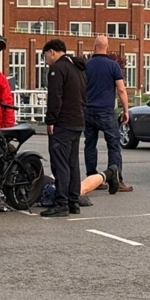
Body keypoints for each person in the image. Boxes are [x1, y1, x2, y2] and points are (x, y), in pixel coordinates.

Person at [40, 39, 87, 217]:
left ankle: (61, 203)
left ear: (52, 52)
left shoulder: (58, 69)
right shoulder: (78, 67)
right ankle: (73, 201)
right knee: (73, 163)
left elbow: (55, 97)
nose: (46, 60)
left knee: (60, 164)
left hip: (63, 123)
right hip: (77, 121)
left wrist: (50, 120)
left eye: (45, 56)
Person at [84, 35, 133, 193]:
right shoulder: (113, 66)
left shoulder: (86, 66)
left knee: (90, 145)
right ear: (107, 47)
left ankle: (93, 179)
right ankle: (116, 179)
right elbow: (121, 89)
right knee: (113, 145)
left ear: (94, 46)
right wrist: (126, 110)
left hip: (88, 111)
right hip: (106, 111)